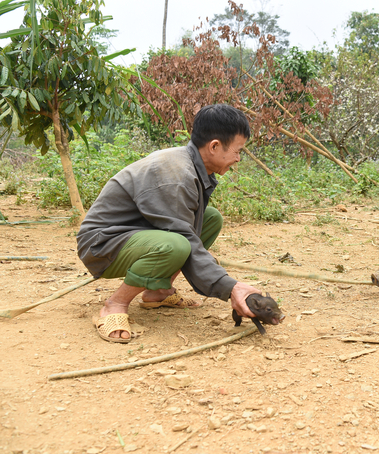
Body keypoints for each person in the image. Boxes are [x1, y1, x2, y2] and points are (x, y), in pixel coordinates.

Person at [77, 104, 261, 343]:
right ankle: (115, 305)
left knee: (210, 219)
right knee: (177, 245)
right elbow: (184, 237)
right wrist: (231, 287)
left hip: (138, 233)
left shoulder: (193, 164)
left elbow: (186, 228)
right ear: (214, 146)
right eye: (238, 151)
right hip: (102, 244)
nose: (237, 159)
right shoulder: (176, 174)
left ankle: (158, 292)